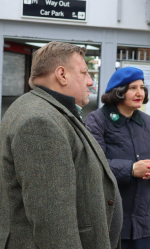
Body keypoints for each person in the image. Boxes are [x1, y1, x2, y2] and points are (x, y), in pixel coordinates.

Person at [0, 41, 122, 249]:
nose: (90, 82)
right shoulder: (40, 122)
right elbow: (53, 225)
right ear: (62, 75)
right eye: (84, 73)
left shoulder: (45, 109)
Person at [85, 67, 150, 249]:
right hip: (109, 221)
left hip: (142, 220)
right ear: (119, 91)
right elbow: (93, 166)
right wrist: (132, 169)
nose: (140, 92)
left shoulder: (148, 122)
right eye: (133, 88)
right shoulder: (97, 120)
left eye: (142, 87)